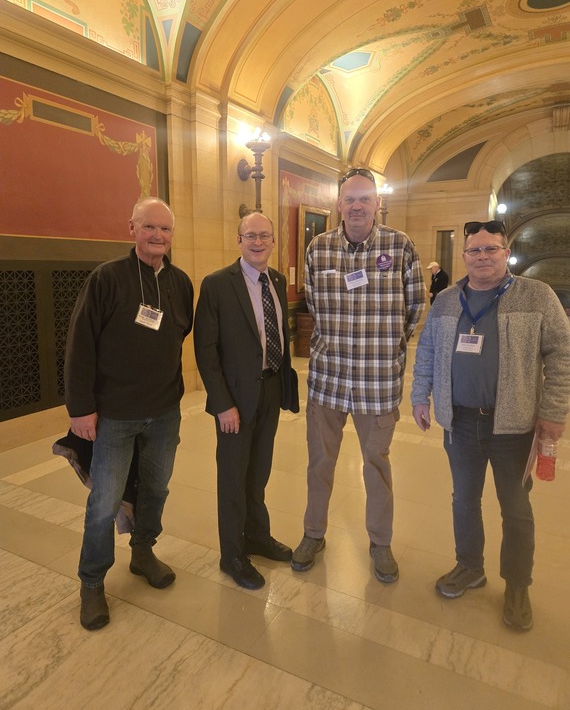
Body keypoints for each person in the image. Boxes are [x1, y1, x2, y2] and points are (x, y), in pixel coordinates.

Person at [411, 220, 570, 630]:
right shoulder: (448, 300)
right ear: (464, 256)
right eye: (474, 250)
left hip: (512, 427)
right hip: (460, 422)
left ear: (506, 253)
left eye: (491, 249)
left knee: (515, 508)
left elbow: (562, 353)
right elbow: (427, 350)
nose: (482, 256)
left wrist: (553, 411)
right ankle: (469, 566)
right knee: (463, 499)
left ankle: (517, 584)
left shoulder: (537, 296)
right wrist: (419, 395)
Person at [64, 197, 194, 630]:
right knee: (104, 501)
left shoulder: (180, 283)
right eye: (149, 227)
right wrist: (81, 408)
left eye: (166, 229)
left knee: (156, 488)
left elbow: (179, 335)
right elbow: (80, 344)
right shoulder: (107, 278)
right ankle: (92, 581)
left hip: (164, 412)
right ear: (132, 229)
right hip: (115, 414)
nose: (158, 235)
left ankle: (142, 552)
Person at [291, 168, 426, 581]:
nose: (357, 206)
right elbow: (314, 305)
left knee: (377, 465)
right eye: (349, 199)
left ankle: (380, 543)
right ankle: (313, 533)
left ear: (377, 204)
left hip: (377, 383)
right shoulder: (318, 248)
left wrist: (388, 349)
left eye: (365, 198)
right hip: (328, 381)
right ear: (338, 204)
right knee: (319, 463)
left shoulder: (399, 246)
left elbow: (415, 307)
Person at [194, 212, 299, 590]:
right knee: (233, 477)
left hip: (270, 390)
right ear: (238, 240)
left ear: (273, 241)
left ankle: (257, 535)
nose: (258, 242)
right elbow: (205, 350)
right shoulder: (217, 284)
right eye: (250, 236)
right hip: (235, 399)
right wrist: (222, 403)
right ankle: (232, 554)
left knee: (258, 472)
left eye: (264, 236)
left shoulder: (277, 280)